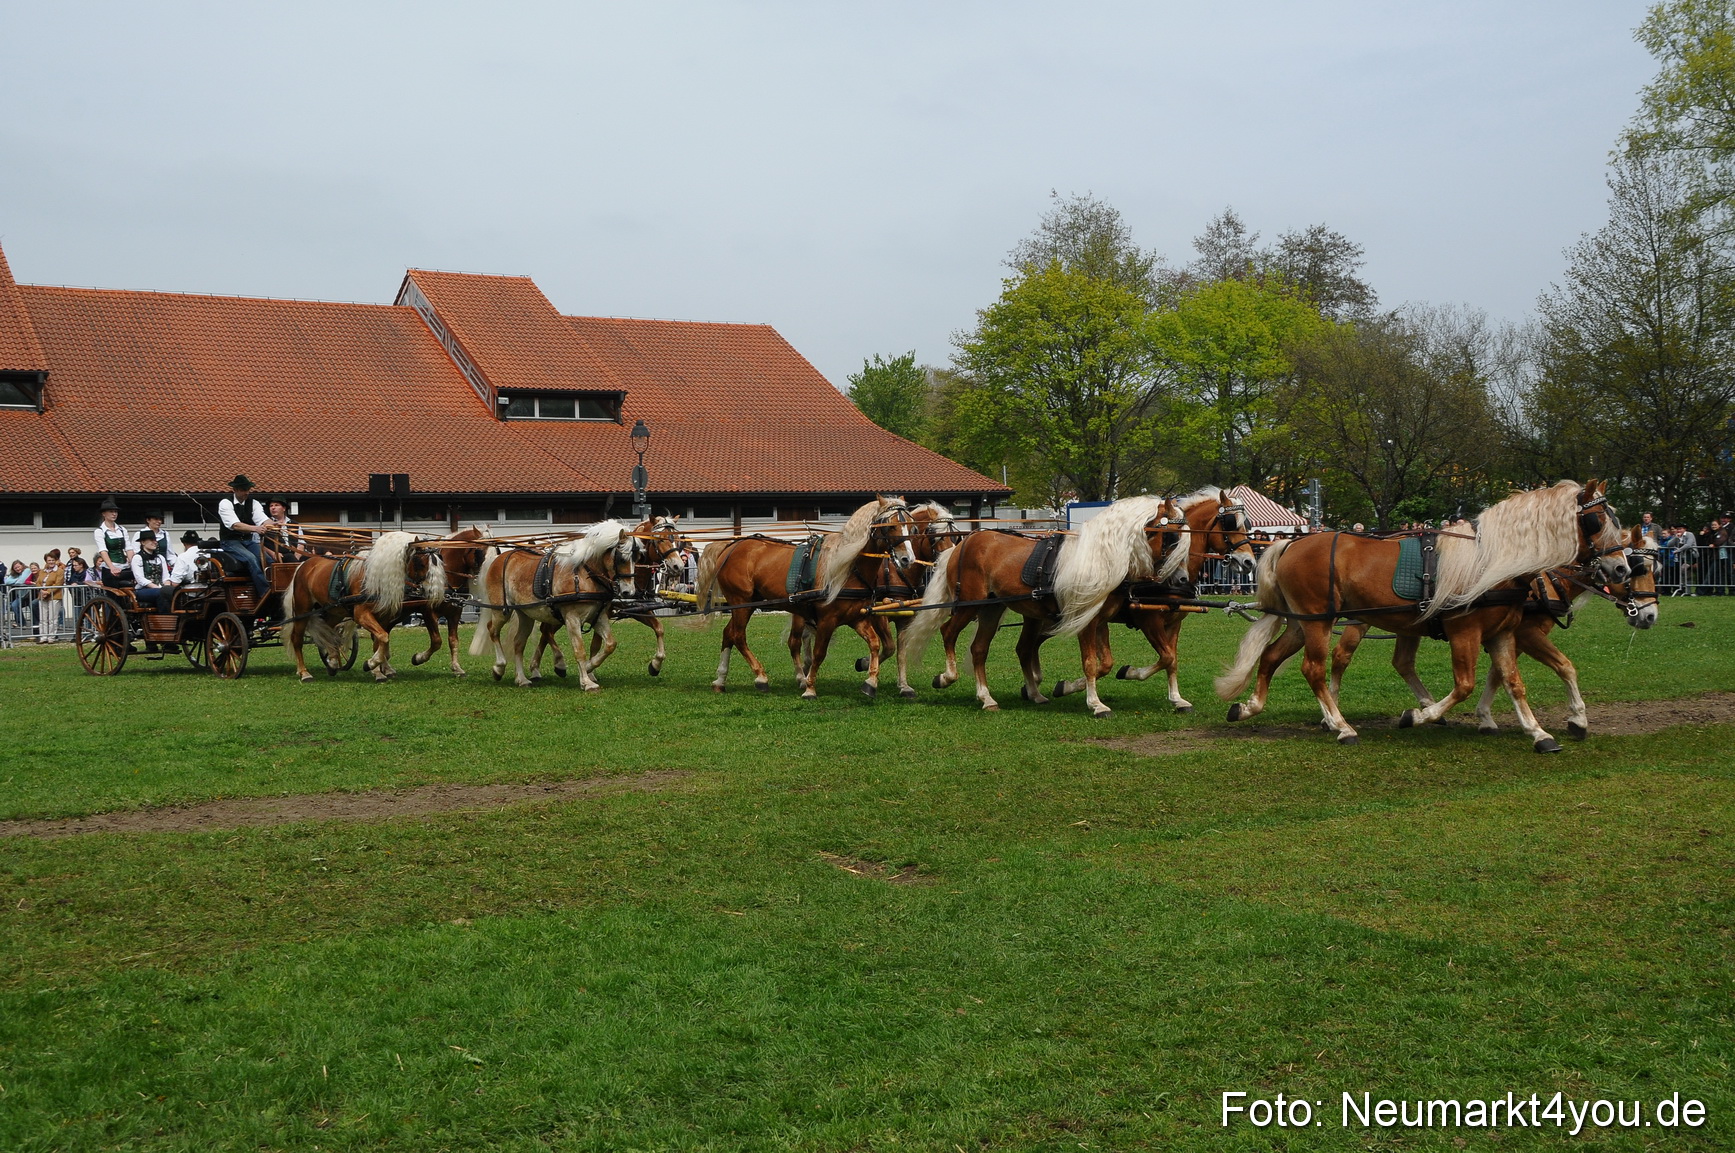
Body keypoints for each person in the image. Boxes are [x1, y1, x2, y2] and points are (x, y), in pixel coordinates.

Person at [216, 474, 270, 598]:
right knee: (251, 559)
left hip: (247, 541)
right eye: (243, 489)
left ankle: (276, 588)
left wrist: (274, 525)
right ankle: (265, 594)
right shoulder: (225, 503)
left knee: (268, 560)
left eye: (247, 489)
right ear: (235, 490)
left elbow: (262, 519)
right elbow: (235, 525)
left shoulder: (254, 503)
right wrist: (255, 529)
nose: (246, 492)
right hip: (230, 541)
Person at [93, 497, 135, 589]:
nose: (114, 514)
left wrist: (133, 564)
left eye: (115, 512)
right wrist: (112, 567)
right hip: (110, 568)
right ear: (104, 514)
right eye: (111, 511)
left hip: (125, 567)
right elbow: (103, 551)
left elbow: (129, 548)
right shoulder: (100, 531)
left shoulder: (122, 530)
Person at [130, 531, 173, 610]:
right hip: (142, 590)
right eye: (151, 540)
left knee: (175, 592)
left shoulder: (160, 558)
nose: (155, 542)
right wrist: (158, 588)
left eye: (155, 540)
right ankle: (164, 619)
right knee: (161, 593)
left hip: (160, 588)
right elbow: (140, 579)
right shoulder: (137, 558)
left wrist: (167, 587)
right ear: (143, 542)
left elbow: (166, 577)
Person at [260, 497, 305, 562]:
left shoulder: (295, 524)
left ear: (284, 508)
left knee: (312, 560)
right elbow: (259, 544)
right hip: (279, 555)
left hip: (295, 555)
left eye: (276, 505)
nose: (273, 508)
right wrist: (273, 554)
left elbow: (301, 543)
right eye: (271, 506)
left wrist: (296, 557)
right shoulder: (265, 524)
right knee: (289, 557)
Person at [37, 549, 64, 642]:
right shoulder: (42, 571)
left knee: (53, 618)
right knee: (43, 618)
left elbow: (58, 583)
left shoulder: (59, 571)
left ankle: (51, 636)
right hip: (42, 596)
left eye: (53, 560)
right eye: (49, 560)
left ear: (55, 561)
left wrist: (47, 592)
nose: (51, 562)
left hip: (54, 596)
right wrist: (41, 591)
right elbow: (38, 582)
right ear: (46, 561)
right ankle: (43, 636)